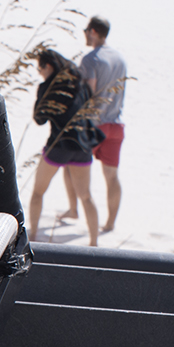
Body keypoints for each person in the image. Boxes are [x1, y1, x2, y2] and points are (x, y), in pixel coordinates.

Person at [29, 49, 104, 246]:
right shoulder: (79, 82)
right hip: (82, 145)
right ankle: (94, 242)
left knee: (38, 192)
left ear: (48, 66)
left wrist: (43, 95)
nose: (40, 73)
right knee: (86, 196)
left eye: (40, 68)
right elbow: (90, 105)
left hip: (59, 145)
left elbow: (39, 119)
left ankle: (33, 235)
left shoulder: (48, 87)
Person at [60, 15, 128, 233]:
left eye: (86, 31)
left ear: (93, 32)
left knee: (70, 166)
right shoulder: (120, 58)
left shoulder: (91, 59)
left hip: (94, 125)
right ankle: (110, 223)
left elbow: (88, 93)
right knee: (112, 176)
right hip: (116, 125)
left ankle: (74, 210)